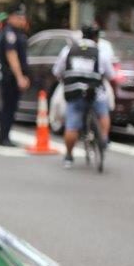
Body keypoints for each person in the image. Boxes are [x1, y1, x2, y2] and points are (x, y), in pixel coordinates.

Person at [53, 24, 115, 169]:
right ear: (97, 37)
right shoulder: (101, 51)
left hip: (74, 92)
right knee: (103, 113)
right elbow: (110, 74)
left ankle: (68, 156)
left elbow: (57, 71)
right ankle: (104, 138)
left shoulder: (68, 50)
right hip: (95, 92)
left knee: (72, 125)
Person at [0, 3, 30, 146]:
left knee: (11, 108)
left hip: (13, 77)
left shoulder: (18, 33)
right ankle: (3, 137)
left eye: (23, 17)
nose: (22, 20)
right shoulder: (10, 33)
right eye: (19, 17)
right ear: (11, 18)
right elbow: (12, 56)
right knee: (8, 108)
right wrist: (19, 77)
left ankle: (5, 136)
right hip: (10, 77)